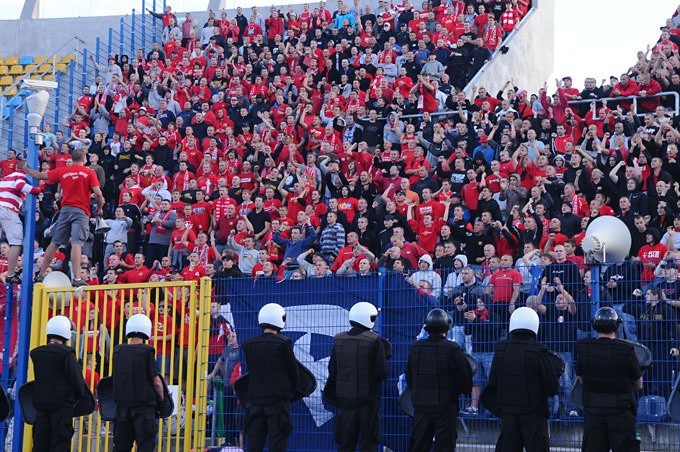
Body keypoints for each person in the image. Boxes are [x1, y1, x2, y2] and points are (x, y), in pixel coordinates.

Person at [20, 148, 105, 286]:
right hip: (81, 211)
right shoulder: (89, 172)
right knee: (77, 243)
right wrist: (100, 207)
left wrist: (25, 167)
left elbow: (39, 175)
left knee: (55, 243)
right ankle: (77, 278)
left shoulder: (63, 171)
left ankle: (41, 274)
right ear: (84, 158)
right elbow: (98, 194)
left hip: (65, 210)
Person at [483, 307, 560, 452]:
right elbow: (552, 387)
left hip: (508, 413)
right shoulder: (538, 350)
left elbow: (493, 381)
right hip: (534, 414)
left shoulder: (501, 349)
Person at [324, 302, 391, 452]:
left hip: (345, 402)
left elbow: (332, 370)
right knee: (369, 444)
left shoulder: (339, 340)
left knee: (345, 445)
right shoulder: (374, 341)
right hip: (368, 403)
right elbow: (383, 372)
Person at [575, 307, 643, 452]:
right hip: (621, 412)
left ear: (595, 325)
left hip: (593, 412)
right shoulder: (626, 350)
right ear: (617, 326)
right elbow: (638, 383)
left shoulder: (585, 349)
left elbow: (581, 379)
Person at [406, 308, 473, 451]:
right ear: (447, 327)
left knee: (419, 446)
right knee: (444, 447)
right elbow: (465, 383)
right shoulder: (452, 349)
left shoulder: (415, 348)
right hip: (445, 408)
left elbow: (409, 379)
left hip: (421, 407)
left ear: (427, 327)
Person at [241, 303, 299, 451]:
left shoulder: (249, 344)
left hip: (255, 401)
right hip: (277, 401)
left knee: (254, 443)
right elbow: (293, 373)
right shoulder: (283, 343)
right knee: (277, 441)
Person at [30, 315, 87, 452]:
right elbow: (77, 381)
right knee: (60, 443)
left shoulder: (36, 353)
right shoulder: (67, 354)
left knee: (40, 443)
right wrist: (80, 396)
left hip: (41, 406)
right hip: (62, 407)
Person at [111, 314, 165, 452]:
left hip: (122, 408)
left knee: (121, 446)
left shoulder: (118, 350)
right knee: (145, 444)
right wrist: (161, 398)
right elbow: (156, 380)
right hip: (143, 407)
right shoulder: (147, 351)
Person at [0, 166, 42, 283]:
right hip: (7, 209)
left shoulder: (7, 178)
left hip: (4, 208)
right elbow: (20, 186)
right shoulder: (21, 174)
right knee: (16, 242)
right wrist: (36, 190)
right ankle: (11, 274)